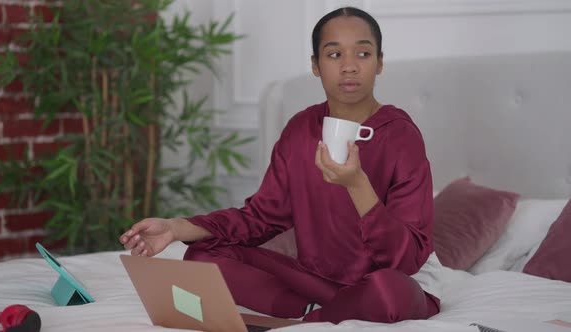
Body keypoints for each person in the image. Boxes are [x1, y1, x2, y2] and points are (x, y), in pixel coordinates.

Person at [120, 6, 442, 324]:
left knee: (389, 292)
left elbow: (408, 258)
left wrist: (357, 185)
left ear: (379, 63)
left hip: (385, 283)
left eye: (362, 54)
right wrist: (177, 228)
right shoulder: (300, 129)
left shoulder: (401, 136)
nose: (349, 67)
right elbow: (260, 218)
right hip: (317, 283)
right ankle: (316, 312)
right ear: (315, 65)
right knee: (202, 255)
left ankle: (304, 320)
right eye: (333, 55)